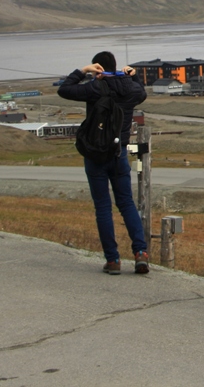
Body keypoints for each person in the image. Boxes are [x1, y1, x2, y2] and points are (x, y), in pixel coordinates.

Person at [58, 51, 149, 275]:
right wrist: (133, 76)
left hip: (96, 153)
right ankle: (140, 254)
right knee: (126, 203)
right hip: (120, 153)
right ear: (116, 66)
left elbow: (64, 89)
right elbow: (143, 94)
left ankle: (113, 259)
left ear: (98, 66)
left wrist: (83, 71)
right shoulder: (130, 88)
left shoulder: (95, 88)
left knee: (103, 207)